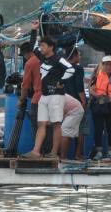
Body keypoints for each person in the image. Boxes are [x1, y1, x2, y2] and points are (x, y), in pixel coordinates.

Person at [23, 20, 74, 160]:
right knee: (42, 123)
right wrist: (34, 30)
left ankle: (53, 152)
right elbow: (32, 47)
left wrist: (61, 81)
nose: (41, 48)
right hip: (44, 96)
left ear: (51, 47)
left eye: (43, 46)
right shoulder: (40, 56)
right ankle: (36, 151)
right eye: (41, 46)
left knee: (57, 124)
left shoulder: (58, 59)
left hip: (56, 96)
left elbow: (71, 69)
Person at [89, 55, 111, 160]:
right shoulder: (96, 75)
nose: (108, 66)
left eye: (110, 64)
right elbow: (91, 89)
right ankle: (98, 152)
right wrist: (98, 96)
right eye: (106, 64)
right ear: (102, 65)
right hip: (99, 104)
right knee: (99, 129)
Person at [64, 47, 87, 160]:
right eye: (78, 55)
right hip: (76, 102)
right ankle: (78, 154)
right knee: (80, 129)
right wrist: (83, 101)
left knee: (65, 129)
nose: (79, 57)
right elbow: (79, 87)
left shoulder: (62, 68)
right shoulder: (78, 69)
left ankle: (63, 155)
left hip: (63, 102)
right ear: (73, 56)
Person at [19, 41, 43, 147]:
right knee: (46, 126)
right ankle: (46, 151)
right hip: (47, 98)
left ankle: (37, 150)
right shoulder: (40, 60)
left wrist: (21, 100)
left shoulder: (30, 63)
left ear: (26, 53)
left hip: (37, 98)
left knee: (36, 127)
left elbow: (25, 86)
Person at [59, 93, 85, 160]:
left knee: (64, 131)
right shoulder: (54, 94)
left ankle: (63, 157)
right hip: (72, 110)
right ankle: (73, 155)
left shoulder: (55, 96)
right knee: (68, 134)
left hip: (75, 111)